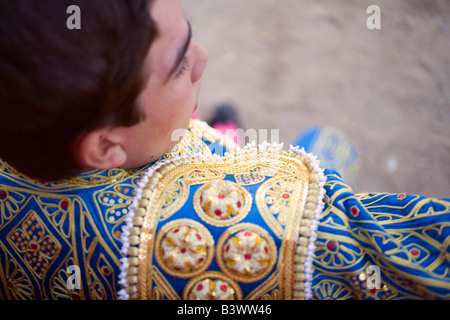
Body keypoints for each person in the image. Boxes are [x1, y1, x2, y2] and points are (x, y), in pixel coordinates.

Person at [0, 0, 448, 300]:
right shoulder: (232, 232)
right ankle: (226, 136)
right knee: (329, 144)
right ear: (105, 146)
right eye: (178, 67)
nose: (203, 56)